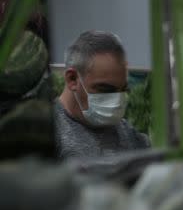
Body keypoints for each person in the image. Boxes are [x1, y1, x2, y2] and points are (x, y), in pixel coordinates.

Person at [55, 30, 148, 160]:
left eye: (123, 90)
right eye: (106, 89)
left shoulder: (128, 134)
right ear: (72, 79)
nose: (116, 101)